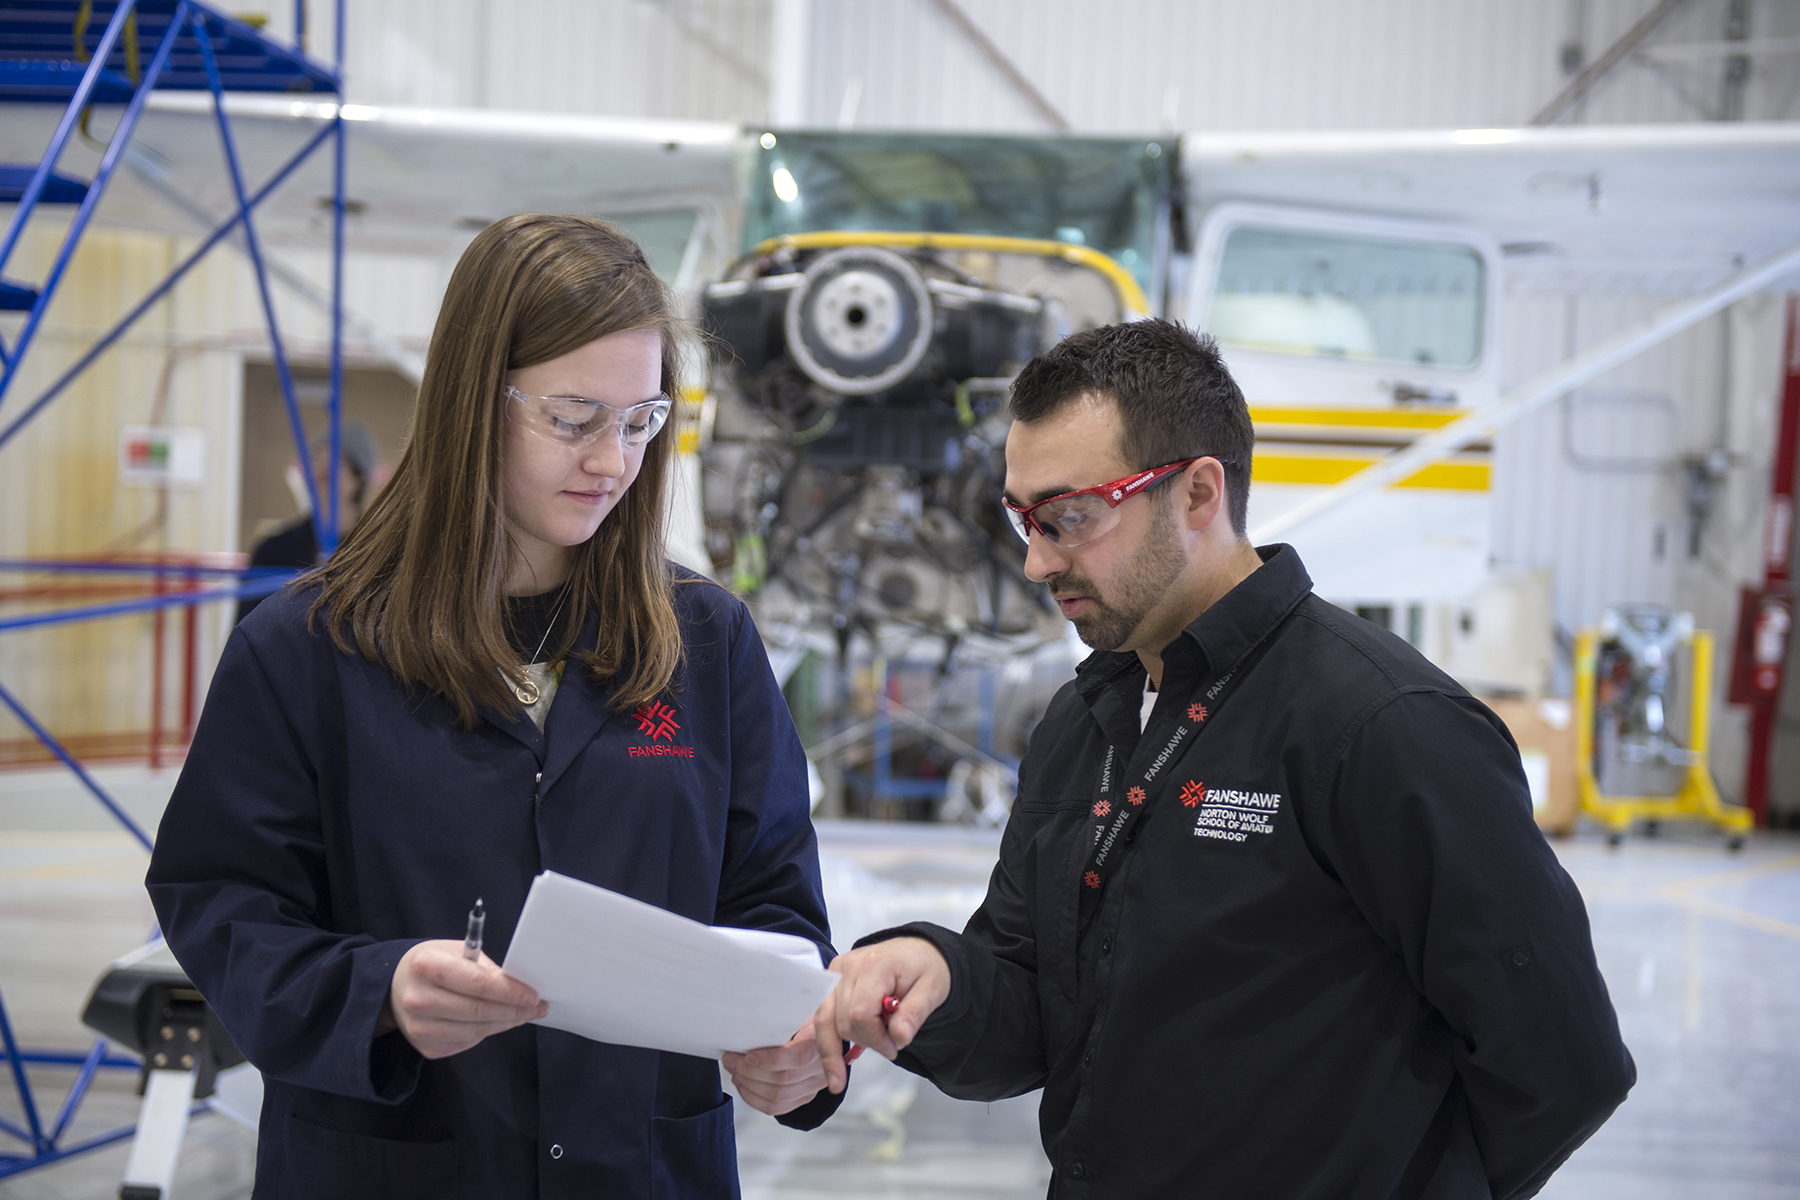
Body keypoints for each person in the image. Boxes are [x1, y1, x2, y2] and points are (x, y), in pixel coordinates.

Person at [813, 319, 1635, 1199]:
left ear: (1199, 493)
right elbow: (1033, 1014)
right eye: (1025, 519)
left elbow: (1563, 1062)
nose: (1035, 560)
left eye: (1070, 518)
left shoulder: (1385, 726)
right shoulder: (1085, 719)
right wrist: (939, 973)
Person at [147, 214, 837, 1199]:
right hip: (392, 1164)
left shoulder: (708, 644)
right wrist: (376, 991)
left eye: (642, 421)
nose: (613, 461)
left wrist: (794, 1044)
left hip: (639, 1169)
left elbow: (775, 904)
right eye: (573, 418)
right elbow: (221, 904)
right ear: (477, 402)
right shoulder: (305, 647)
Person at [235, 420, 379, 623]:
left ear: (360, 477)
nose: (323, 465)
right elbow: (245, 630)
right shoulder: (274, 552)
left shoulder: (377, 552)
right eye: (319, 457)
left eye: (338, 460)